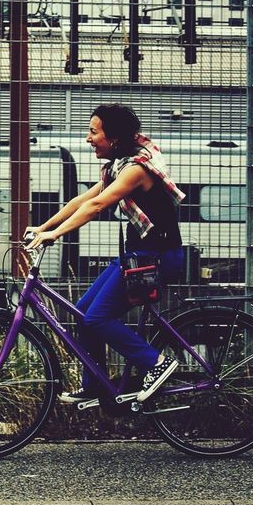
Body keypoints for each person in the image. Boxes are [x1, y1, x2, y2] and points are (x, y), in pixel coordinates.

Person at [26, 103, 185, 404]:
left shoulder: (136, 169)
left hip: (157, 258)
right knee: (84, 312)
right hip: (138, 256)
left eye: (93, 132)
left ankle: (157, 363)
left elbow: (98, 206)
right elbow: (83, 200)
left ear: (113, 138)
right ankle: (96, 386)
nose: (88, 138)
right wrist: (43, 228)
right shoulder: (118, 165)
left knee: (97, 318)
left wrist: (55, 235)